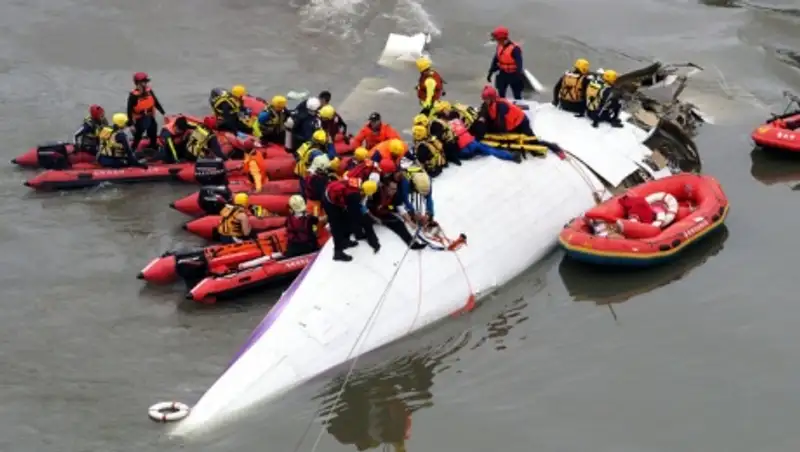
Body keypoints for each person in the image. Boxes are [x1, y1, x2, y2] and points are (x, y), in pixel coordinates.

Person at [367, 166, 427, 250]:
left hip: (383, 214)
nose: (393, 191)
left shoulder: (395, 195)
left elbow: (400, 208)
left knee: (399, 224)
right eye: (392, 189)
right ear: (386, 187)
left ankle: (412, 243)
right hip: (370, 213)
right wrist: (373, 218)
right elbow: (365, 206)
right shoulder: (376, 193)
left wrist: (409, 221)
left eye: (395, 189)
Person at [323, 178, 380, 261]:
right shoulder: (354, 196)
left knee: (347, 219)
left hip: (332, 192)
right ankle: (338, 252)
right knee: (337, 225)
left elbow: (361, 207)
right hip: (330, 201)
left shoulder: (359, 182)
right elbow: (359, 216)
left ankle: (345, 241)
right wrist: (373, 239)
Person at [448, 118, 520, 163]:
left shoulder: (445, 126)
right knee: (487, 149)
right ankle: (510, 155)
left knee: (481, 150)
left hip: (465, 150)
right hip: (472, 142)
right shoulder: (457, 120)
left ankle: (508, 154)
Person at [127, 72, 166, 152]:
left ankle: (153, 146)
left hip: (150, 116)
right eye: (143, 82)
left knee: (153, 129)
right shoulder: (133, 96)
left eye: (146, 82)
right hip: (140, 119)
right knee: (139, 134)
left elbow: (155, 102)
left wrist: (163, 113)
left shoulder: (149, 91)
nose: (145, 84)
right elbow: (129, 110)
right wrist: (131, 124)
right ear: (137, 83)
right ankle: (133, 149)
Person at [486, 26, 524, 100]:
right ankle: (502, 107)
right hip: (503, 74)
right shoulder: (499, 46)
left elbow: (519, 64)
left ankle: (518, 107)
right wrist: (490, 72)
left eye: (497, 38)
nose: (496, 40)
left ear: (502, 38)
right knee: (501, 94)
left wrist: (518, 76)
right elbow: (495, 60)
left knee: (517, 95)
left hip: (514, 75)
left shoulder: (515, 49)